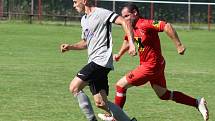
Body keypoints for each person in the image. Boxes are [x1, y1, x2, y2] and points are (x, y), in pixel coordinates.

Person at [98, 3, 209, 121]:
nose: (124, 19)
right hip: (156, 65)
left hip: (151, 66)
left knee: (120, 85)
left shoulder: (145, 24)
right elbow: (128, 40)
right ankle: (197, 102)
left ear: (135, 13)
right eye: (123, 16)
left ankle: (114, 117)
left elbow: (166, 26)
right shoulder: (130, 27)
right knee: (164, 95)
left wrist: (179, 45)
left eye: (126, 16)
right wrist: (120, 55)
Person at [60, 0, 137, 121]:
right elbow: (86, 43)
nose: (74, 5)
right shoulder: (84, 20)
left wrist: (131, 43)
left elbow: (124, 21)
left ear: (84, 1)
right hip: (95, 61)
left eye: (75, 2)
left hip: (101, 61)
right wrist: (70, 47)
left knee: (74, 87)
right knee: (101, 102)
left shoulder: (101, 13)